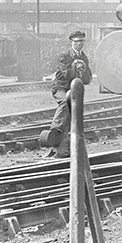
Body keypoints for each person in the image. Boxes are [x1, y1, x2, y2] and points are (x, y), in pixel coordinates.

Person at [44, 30, 92, 158]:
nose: (79, 44)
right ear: (71, 42)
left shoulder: (84, 58)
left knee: (73, 117)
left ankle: (64, 150)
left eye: (81, 41)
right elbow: (67, 74)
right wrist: (75, 66)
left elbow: (87, 80)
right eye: (76, 41)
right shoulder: (64, 56)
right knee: (65, 102)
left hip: (74, 90)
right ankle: (55, 129)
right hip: (60, 88)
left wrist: (84, 69)